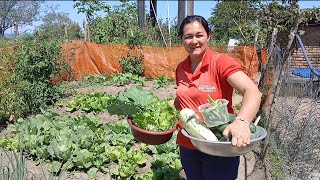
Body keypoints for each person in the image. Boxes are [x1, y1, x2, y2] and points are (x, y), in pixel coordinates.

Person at [174, 15, 262, 180]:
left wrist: (242, 122)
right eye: (188, 36)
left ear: (208, 36)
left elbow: (252, 91)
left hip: (218, 145)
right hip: (188, 143)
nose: (194, 41)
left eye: (199, 35)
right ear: (182, 40)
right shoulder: (181, 67)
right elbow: (182, 99)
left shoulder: (221, 62)